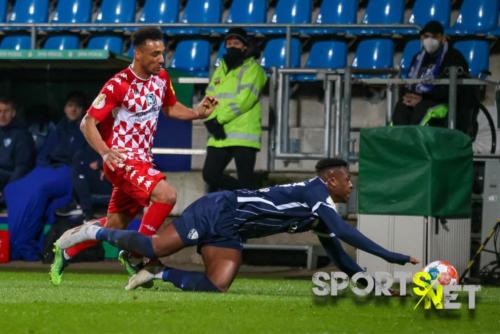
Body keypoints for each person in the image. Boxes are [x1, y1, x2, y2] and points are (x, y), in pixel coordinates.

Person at [56, 158, 419, 292]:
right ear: (331, 179)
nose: (351, 186)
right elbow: (345, 232)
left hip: (233, 230)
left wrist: (368, 284)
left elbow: (339, 255)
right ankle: (91, 230)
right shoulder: (315, 194)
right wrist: (394, 256)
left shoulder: (318, 211)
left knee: (218, 285)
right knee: (152, 247)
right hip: (218, 209)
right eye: (348, 180)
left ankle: (157, 276)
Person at [49, 27, 218, 285]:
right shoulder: (119, 84)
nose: (161, 59)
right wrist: (105, 152)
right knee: (167, 195)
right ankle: (140, 254)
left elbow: (171, 108)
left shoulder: (161, 78)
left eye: (163, 53)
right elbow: (87, 123)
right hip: (121, 160)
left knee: (116, 225)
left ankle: (68, 249)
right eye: (155, 54)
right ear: (138, 54)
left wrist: (197, 113)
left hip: (142, 161)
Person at [4, 92, 87, 260]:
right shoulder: (58, 129)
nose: (73, 109)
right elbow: (43, 155)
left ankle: (23, 244)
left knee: (37, 189)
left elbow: (83, 158)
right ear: (64, 108)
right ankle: (17, 242)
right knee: (13, 188)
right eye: (70, 105)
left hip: (68, 172)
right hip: (47, 169)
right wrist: (43, 167)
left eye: (77, 106)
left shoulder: (88, 128)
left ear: (83, 110)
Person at [202, 27, 267, 192]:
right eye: (228, 43)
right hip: (220, 132)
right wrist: (210, 118)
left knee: (245, 179)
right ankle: (251, 196)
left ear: (245, 46)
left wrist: (218, 119)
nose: (232, 46)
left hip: (243, 133)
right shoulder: (220, 69)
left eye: (236, 43)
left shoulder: (254, 69)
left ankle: (250, 200)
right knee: (210, 175)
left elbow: (245, 100)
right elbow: (210, 95)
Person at [392, 21, 469, 127]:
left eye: (434, 37)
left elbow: (449, 90)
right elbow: (410, 81)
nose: (429, 40)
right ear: (421, 38)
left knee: (422, 109)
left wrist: (422, 98)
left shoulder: (453, 57)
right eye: (426, 36)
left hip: (442, 101)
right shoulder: (418, 58)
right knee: (401, 107)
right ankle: (399, 141)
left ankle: (416, 141)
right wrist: (409, 96)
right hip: (421, 99)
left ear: (443, 38)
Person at [55, 144, 112, 220]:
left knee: (79, 170)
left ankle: (85, 209)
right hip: (96, 178)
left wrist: (101, 164)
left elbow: (125, 155)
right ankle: (84, 209)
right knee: (78, 169)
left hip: (116, 184)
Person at [0, 97, 36, 210]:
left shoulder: (22, 135)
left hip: (11, 180)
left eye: (6, 111)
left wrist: (7, 191)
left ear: (13, 113)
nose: (2, 115)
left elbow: (22, 168)